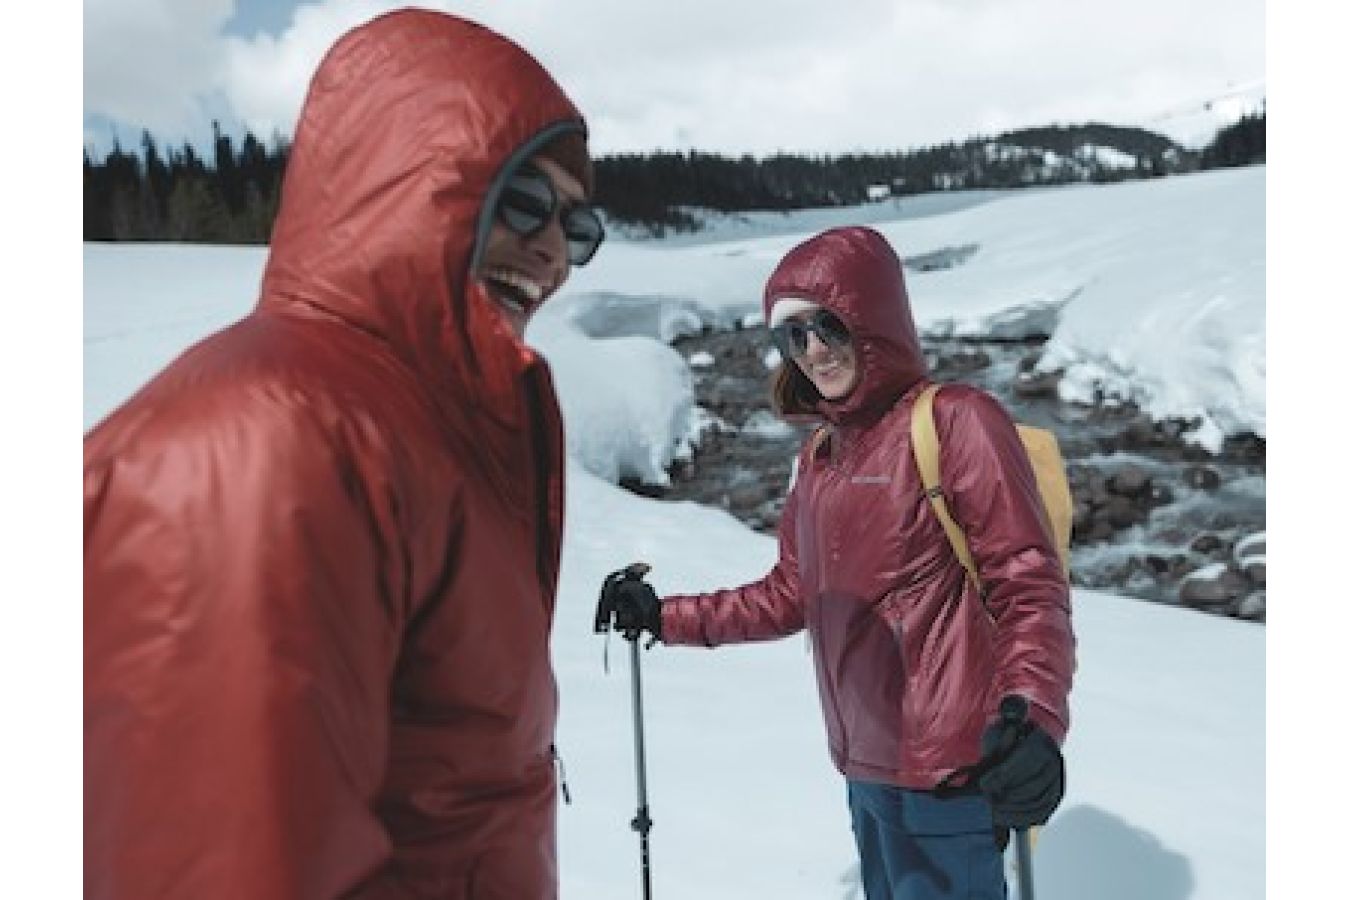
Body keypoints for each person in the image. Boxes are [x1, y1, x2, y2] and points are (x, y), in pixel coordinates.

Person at [84, 10, 603, 899]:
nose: (555, 250)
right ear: (407, 183)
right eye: (522, 200)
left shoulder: (427, 427)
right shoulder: (269, 442)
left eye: (577, 225)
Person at [600, 226, 1075, 900]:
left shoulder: (954, 421)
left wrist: (1035, 715)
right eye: (794, 336)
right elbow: (790, 594)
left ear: (874, 316)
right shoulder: (820, 456)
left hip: (951, 775)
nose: (814, 350)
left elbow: (1027, 582)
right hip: (864, 770)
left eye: (829, 325)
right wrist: (665, 616)